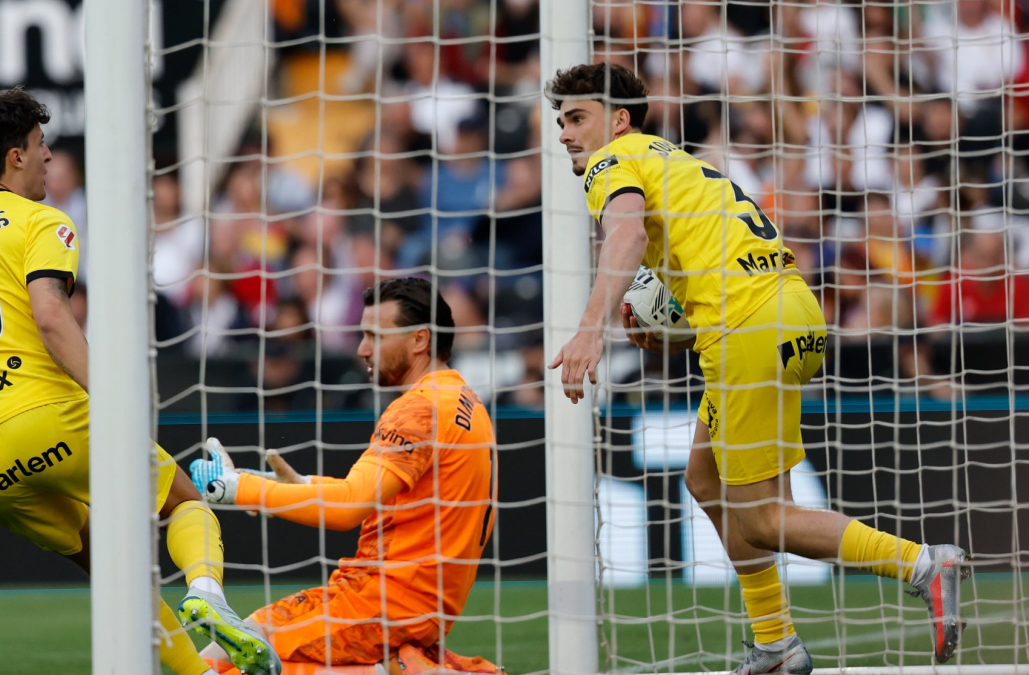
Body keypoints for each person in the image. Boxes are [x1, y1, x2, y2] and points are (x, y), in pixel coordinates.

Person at [544, 63, 969, 674]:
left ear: (618, 121)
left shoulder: (614, 161)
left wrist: (591, 328)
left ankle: (924, 564)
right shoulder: (679, 161)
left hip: (747, 326)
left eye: (577, 118)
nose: (565, 133)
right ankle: (775, 645)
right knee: (705, 479)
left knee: (766, 518)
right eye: (561, 121)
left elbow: (627, 233)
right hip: (790, 310)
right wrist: (674, 322)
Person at [0, 87, 278, 675]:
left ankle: (200, 673)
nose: (49, 156)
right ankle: (206, 593)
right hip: (47, 415)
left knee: (108, 568)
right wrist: (115, 400)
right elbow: (52, 317)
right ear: (15, 156)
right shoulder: (41, 221)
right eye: (40, 144)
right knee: (183, 501)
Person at [190, 277, 497, 669]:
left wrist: (235, 488)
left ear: (419, 340)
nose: (362, 349)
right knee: (226, 649)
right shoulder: (465, 400)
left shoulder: (419, 409)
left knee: (225, 663)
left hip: (380, 602)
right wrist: (300, 485)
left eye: (375, 335)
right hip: (406, 603)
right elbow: (378, 494)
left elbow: (349, 507)